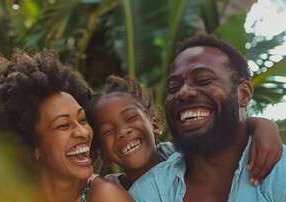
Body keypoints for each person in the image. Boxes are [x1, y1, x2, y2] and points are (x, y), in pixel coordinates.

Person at [0, 49, 144, 202]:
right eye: (63, 125)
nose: (82, 132)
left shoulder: (105, 200)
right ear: (30, 144)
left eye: (82, 120)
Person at [129, 34, 286, 202]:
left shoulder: (280, 172)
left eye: (203, 80)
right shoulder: (151, 192)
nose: (184, 92)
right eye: (173, 87)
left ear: (243, 94)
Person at [88, 75, 282, 191]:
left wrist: (261, 125)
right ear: (105, 155)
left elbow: (225, 136)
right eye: (108, 131)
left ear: (155, 125)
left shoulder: (189, 157)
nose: (123, 132)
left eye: (131, 118)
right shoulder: (110, 192)